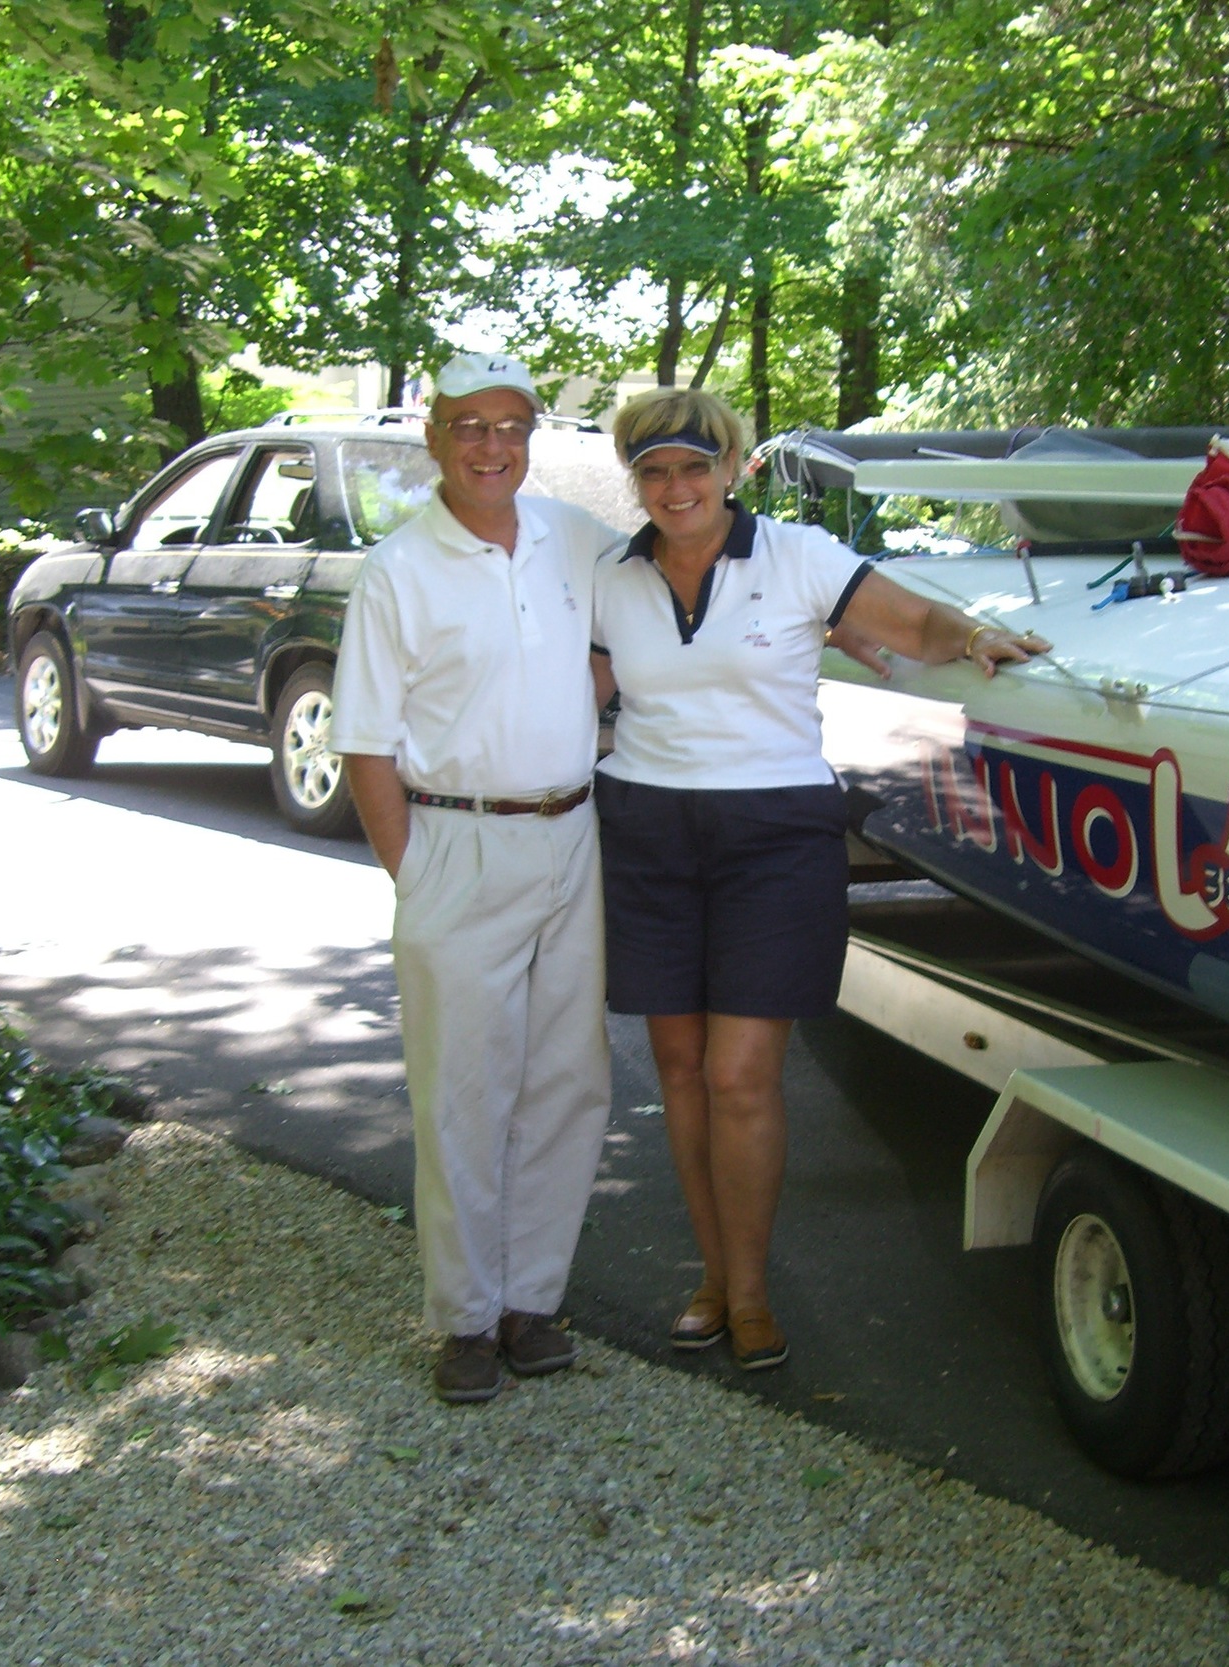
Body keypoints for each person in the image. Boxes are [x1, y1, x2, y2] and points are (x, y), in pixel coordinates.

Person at [589, 388, 1048, 1370]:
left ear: (732, 468)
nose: (676, 487)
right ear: (635, 481)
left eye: (693, 466)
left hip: (773, 838)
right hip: (649, 834)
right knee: (678, 1072)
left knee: (741, 1076)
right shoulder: (610, 578)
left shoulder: (797, 557)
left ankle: (749, 1292)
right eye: (654, 471)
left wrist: (974, 638)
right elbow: (567, 689)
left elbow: (913, 619)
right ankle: (710, 1276)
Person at [332, 352, 628, 1404]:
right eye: (469, 426)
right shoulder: (398, 571)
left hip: (571, 833)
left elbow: (650, 602)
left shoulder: (571, 538)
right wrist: (414, 875)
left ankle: (531, 1301)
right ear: (434, 438)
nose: (491, 446)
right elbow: (363, 742)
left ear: (531, 436)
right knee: (464, 1089)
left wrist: (586, 686)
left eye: (511, 425)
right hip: (454, 842)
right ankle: (463, 1318)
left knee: (566, 1079)